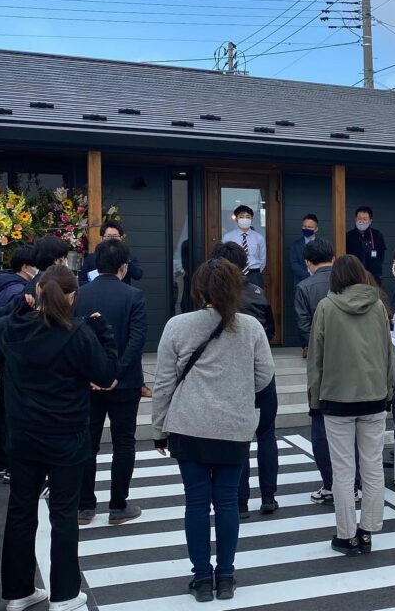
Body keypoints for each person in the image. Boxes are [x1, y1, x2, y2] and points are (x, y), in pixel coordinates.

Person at [0, 264, 117, 611]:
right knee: (63, 514)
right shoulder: (77, 333)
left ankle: (18, 592)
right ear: (72, 296)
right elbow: (105, 375)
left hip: (23, 435)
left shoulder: (14, 328)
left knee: (20, 512)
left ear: (37, 294)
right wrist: (104, 333)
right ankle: (64, 595)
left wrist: (20, 308)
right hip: (66, 435)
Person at [152, 258, 274, 602]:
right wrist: (238, 389)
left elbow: (163, 382)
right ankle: (226, 577)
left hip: (189, 423)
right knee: (226, 502)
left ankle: (202, 578)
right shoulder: (250, 327)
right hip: (233, 426)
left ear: (198, 289)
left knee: (195, 502)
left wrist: (159, 427)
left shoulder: (177, 325)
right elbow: (264, 375)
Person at [307, 254, 393, 555]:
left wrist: (314, 400)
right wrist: (388, 391)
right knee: (372, 467)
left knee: (343, 471)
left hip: (336, 398)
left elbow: (316, 359)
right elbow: (387, 352)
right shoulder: (378, 306)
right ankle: (368, 531)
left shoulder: (326, 307)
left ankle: (346, 535)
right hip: (374, 396)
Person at [74, 238, 148, 527]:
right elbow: (137, 340)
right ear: (124, 267)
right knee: (124, 442)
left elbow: (75, 338)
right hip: (125, 382)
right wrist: (117, 373)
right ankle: (118, 506)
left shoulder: (80, 294)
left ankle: (84, 506)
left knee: (87, 442)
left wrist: (93, 373)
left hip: (88, 383)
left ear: (96, 263)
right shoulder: (134, 295)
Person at [210, 241, 279, 519]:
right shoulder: (258, 292)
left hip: (229, 374)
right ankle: (269, 496)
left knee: (237, 438)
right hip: (261, 371)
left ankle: (240, 501)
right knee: (266, 434)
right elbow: (270, 330)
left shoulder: (214, 297)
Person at [0, 245, 37, 482]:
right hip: (12, 359)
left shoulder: (2, 286)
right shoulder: (18, 291)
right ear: (26, 266)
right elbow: (10, 328)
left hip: (2, 357)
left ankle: (0, 462)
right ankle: (10, 463)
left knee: (2, 409)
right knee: (12, 412)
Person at [294, 238, 339, 505]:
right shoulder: (347, 282)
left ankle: (330, 484)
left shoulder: (304, 286)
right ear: (333, 258)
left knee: (321, 423)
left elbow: (303, 325)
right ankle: (354, 482)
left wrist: (311, 348)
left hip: (320, 363)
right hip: (349, 360)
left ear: (308, 263)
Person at [78, 220, 143, 287]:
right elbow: (81, 281)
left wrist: (125, 259)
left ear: (121, 238)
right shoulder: (92, 258)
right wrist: (96, 285)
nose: (112, 239)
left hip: (121, 292)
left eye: (115, 236)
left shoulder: (129, 257)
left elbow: (138, 275)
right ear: (102, 238)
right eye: (108, 236)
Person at [221, 205, 266, 289]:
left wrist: (256, 270)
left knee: (256, 296)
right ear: (236, 219)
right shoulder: (228, 237)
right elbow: (223, 257)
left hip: (254, 274)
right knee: (234, 296)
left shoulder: (259, 238)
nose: (245, 219)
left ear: (252, 219)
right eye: (241, 217)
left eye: (248, 217)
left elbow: (263, 259)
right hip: (234, 273)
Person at [345, 206, 386, 283]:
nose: (361, 221)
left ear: (370, 221)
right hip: (353, 276)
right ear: (355, 219)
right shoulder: (348, 236)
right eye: (359, 218)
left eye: (365, 219)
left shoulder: (377, 235)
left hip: (373, 277)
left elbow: (381, 255)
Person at [289, 213, 321, 284]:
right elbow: (294, 264)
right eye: (304, 226)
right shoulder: (295, 245)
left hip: (319, 282)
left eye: (310, 227)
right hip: (301, 283)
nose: (306, 229)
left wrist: (317, 277)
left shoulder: (322, 244)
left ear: (316, 229)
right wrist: (309, 277)